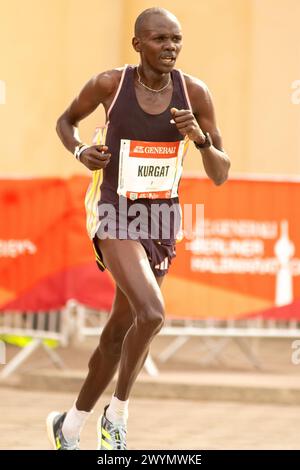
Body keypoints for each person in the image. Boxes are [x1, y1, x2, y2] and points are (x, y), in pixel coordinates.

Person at [46, 7, 230, 450]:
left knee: (120, 330)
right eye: (159, 39)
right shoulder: (110, 84)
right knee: (152, 312)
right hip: (114, 210)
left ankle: (68, 425)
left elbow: (221, 172)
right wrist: (80, 152)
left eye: (176, 40)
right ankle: (118, 413)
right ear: (137, 44)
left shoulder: (195, 93)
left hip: (161, 218)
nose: (169, 48)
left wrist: (200, 140)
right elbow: (65, 121)